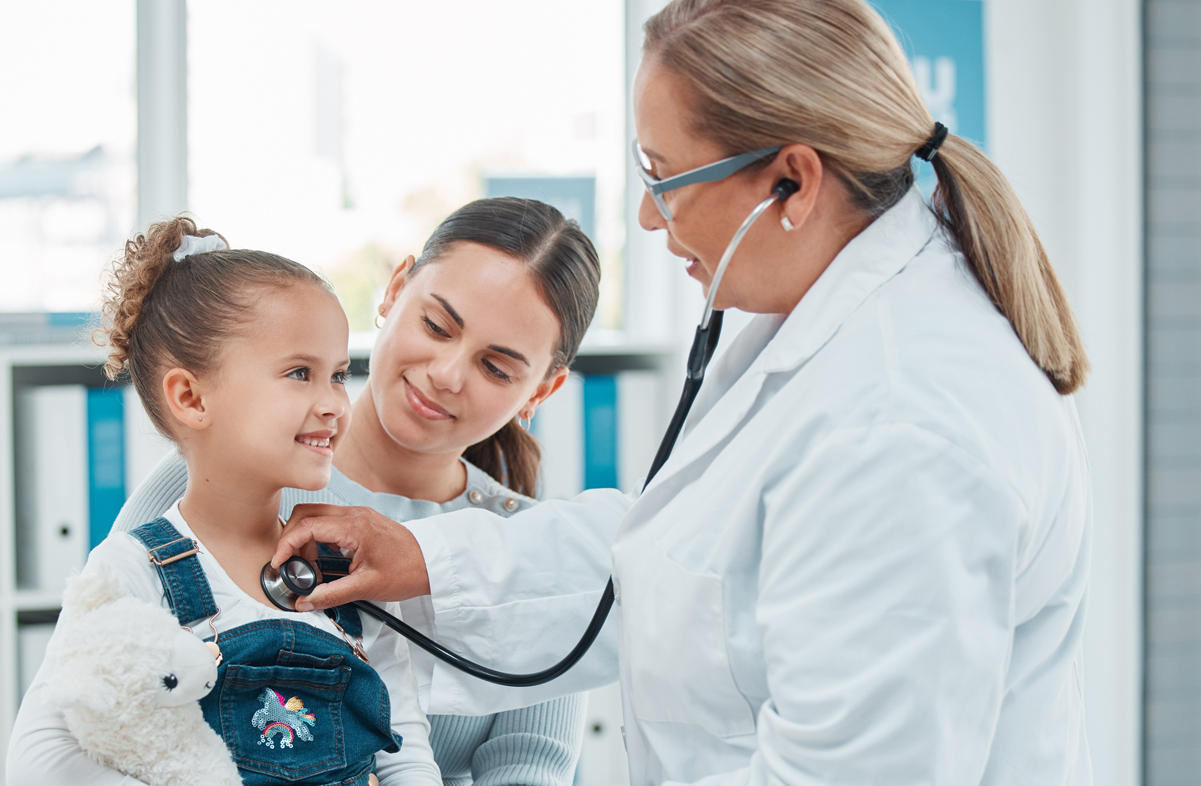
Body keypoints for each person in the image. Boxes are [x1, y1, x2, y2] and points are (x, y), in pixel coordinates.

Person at [270, 1, 1095, 784]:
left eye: (663, 174)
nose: (647, 215)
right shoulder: (828, 333)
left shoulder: (903, 421)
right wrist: (422, 556)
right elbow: (680, 562)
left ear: (792, 184)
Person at [112, 198, 602, 786]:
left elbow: (530, 766)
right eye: (437, 325)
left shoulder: (534, 556)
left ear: (541, 391)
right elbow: (103, 688)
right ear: (396, 290)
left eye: (496, 368)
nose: (446, 373)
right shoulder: (216, 477)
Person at [6, 218, 442, 786]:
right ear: (190, 397)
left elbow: (405, 753)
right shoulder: (130, 572)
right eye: (299, 373)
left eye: (338, 374)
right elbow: (41, 765)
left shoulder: (348, 570)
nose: (335, 403)